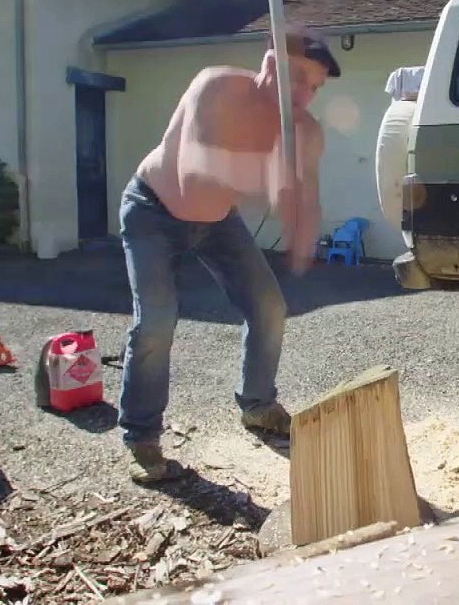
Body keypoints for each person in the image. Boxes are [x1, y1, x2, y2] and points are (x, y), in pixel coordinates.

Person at [115, 27, 340, 483]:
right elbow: (195, 175)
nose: (304, 95)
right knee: (156, 320)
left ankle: (257, 405)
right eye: (298, 78)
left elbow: (304, 203)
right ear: (270, 64)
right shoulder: (215, 87)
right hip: (153, 210)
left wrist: (301, 224)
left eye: (315, 87)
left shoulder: (302, 129)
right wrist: (275, 169)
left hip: (218, 221)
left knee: (269, 307)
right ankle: (141, 434)